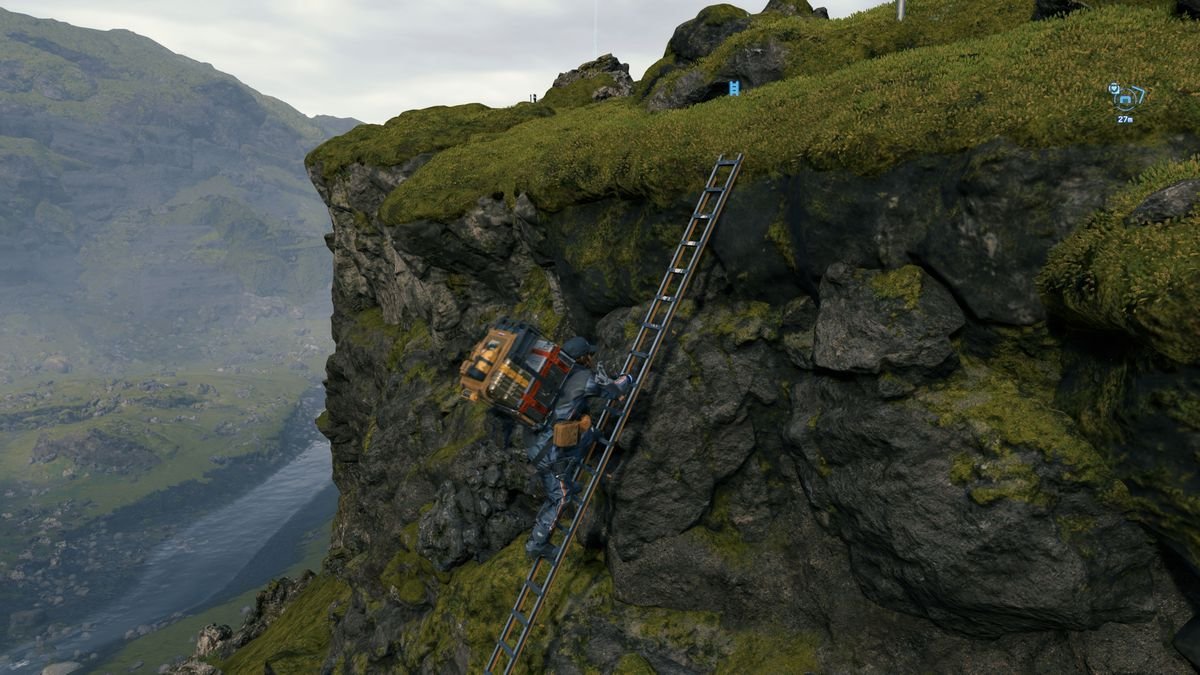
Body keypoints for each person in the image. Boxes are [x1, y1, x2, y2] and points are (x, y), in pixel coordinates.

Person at [524, 335, 634, 561]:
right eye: (589, 354)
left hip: (537, 447)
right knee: (562, 497)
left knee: (589, 434)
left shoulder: (553, 379)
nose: (591, 358)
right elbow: (614, 390)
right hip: (551, 451)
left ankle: (539, 534)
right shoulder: (582, 378)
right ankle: (537, 544)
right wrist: (629, 377)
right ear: (583, 358)